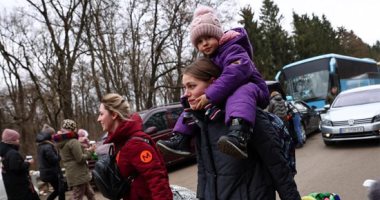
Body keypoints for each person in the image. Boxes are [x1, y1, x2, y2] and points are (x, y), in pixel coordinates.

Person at [158, 5, 269, 159]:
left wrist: (209, 95)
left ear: (218, 36)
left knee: (239, 92)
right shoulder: (209, 59)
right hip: (225, 92)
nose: (205, 43)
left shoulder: (233, 49)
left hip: (252, 90)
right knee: (194, 102)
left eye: (209, 37)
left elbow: (236, 72)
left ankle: (239, 133)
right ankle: (181, 138)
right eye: (200, 41)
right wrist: (191, 100)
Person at [180, 58, 300, 199]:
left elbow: (278, 168)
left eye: (191, 86)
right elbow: (204, 172)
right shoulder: (201, 121)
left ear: (212, 83)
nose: (186, 94)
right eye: (184, 88)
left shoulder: (246, 116)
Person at [97, 93, 173, 200]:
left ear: (114, 115)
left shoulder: (135, 144)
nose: (98, 119)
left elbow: (157, 180)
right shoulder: (120, 142)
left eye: (101, 114)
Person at [53, 119, 96, 200]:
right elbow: (80, 159)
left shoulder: (62, 141)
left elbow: (71, 155)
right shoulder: (73, 141)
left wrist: (83, 148)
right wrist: (90, 151)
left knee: (91, 194)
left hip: (74, 174)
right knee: (77, 197)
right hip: (79, 174)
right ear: (73, 129)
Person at [0, 129, 40, 200]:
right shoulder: (13, 153)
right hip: (22, 189)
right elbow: (16, 168)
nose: (18, 141)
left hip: (12, 190)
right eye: (17, 139)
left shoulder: (4, 153)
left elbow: (12, 166)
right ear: (11, 140)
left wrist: (22, 162)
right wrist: (28, 163)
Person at [36, 124, 66, 200]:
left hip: (47, 172)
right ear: (49, 135)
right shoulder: (48, 146)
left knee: (58, 190)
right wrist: (59, 153)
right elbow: (54, 160)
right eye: (53, 134)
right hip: (52, 173)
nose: (55, 135)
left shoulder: (41, 145)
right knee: (61, 189)